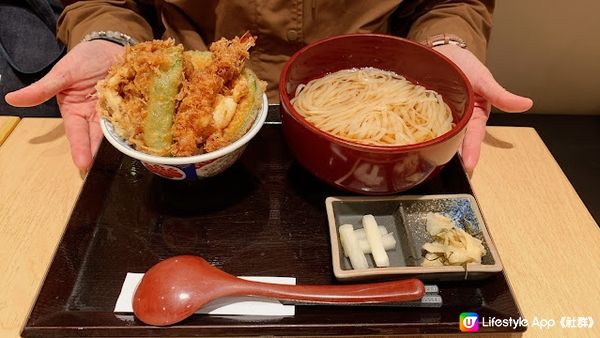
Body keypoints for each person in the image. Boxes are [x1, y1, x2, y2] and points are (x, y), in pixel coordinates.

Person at [4, 0, 532, 172]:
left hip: (369, 128)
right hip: (199, 97)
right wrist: (108, 40)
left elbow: (449, 3)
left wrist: (448, 46)